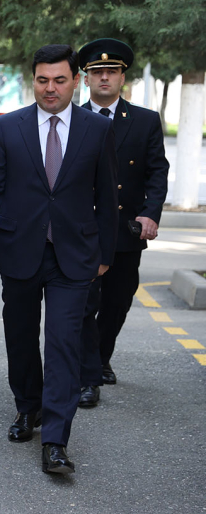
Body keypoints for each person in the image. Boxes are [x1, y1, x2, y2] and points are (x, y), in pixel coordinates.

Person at [0, 44, 118, 475]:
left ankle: (55, 439)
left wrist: (105, 254)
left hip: (75, 257)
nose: (50, 88)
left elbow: (107, 198)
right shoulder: (8, 126)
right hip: (18, 253)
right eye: (41, 80)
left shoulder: (96, 129)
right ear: (31, 80)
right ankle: (27, 407)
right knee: (19, 338)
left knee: (62, 345)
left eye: (59, 80)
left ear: (76, 80)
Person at [76, 39, 169, 407]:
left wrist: (150, 212)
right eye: (96, 72)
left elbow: (157, 172)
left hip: (125, 230)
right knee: (84, 304)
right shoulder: (72, 118)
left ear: (121, 78)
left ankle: (100, 357)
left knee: (117, 302)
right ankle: (88, 374)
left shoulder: (145, 121)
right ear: (85, 79)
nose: (103, 78)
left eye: (110, 72)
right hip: (82, 230)